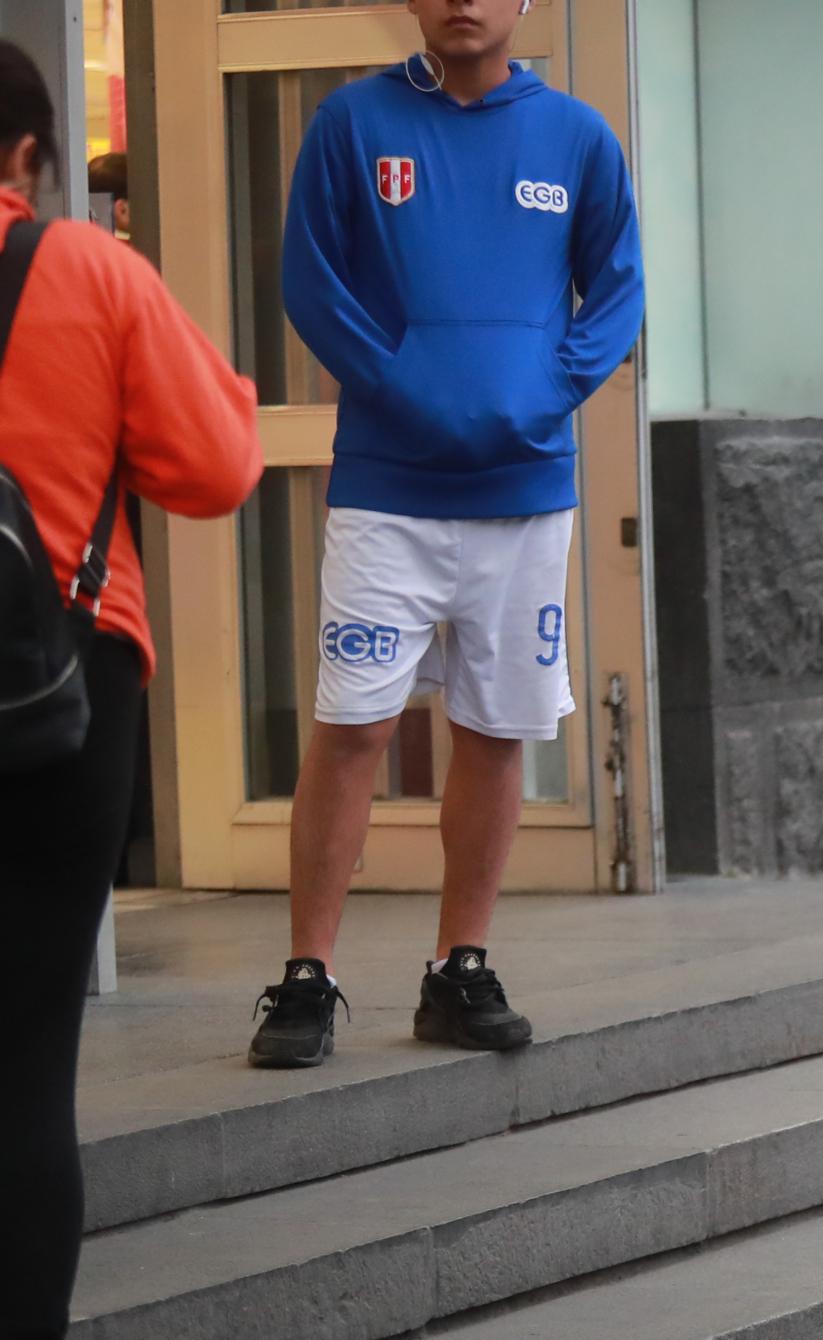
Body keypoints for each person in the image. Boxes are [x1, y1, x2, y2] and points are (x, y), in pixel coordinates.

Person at [247, 0, 643, 1068]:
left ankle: (458, 965)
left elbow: (617, 289)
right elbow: (309, 280)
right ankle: (306, 973)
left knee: (496, 727)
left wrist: (548, 387)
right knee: (355, 725)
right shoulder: (352, 122)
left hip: (526, 492)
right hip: (388, 488)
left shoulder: (577, 138)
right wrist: (398, 381)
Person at [0, 39, 261, 1340]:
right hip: (54, 698)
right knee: (23, 1066)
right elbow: (218, 468)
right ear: (30, 158)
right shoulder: (94, 276)